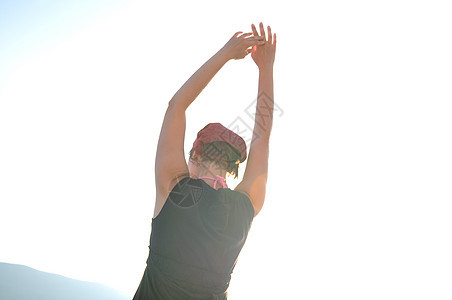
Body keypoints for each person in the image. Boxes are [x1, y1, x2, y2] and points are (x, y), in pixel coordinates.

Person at [133, 22, 276, 300]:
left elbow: (177, 106)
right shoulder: (245, 207)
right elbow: (262, 138)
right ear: (234, 166)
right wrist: (266, 68)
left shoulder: (173, 187)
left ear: (196, 154)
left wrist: (226, 53)